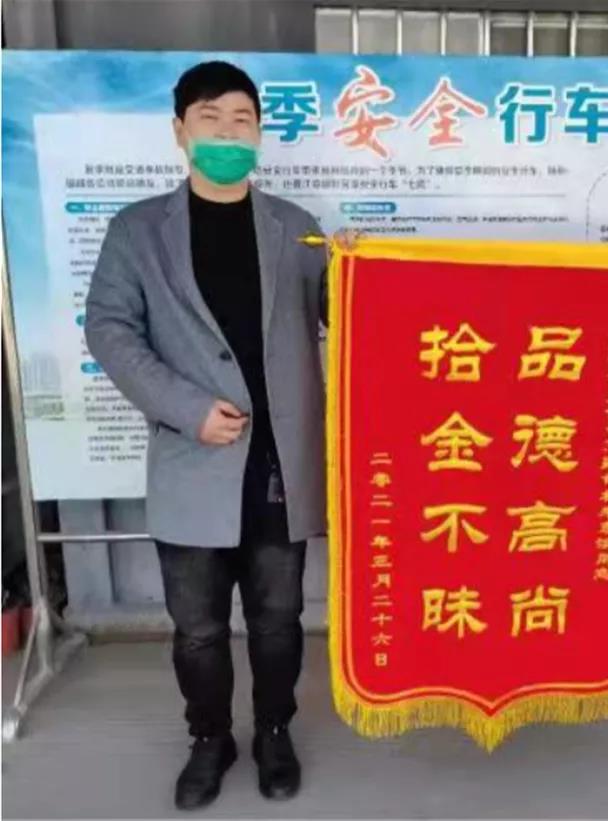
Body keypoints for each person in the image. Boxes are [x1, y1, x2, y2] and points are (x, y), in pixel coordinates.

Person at [86, 61, 349, 810]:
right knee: (198, 630)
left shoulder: (298, 228)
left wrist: (361, 271)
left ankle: (273, 730)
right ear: (180, 131)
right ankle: (209, 738)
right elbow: (109, 330)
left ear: (259, 134)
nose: (228, 134)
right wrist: (184, 406)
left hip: (279, 466)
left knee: (278, 620)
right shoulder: (138, 231)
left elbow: (344, 315)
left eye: (242, 121)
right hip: (193, 458)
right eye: (211, 118)